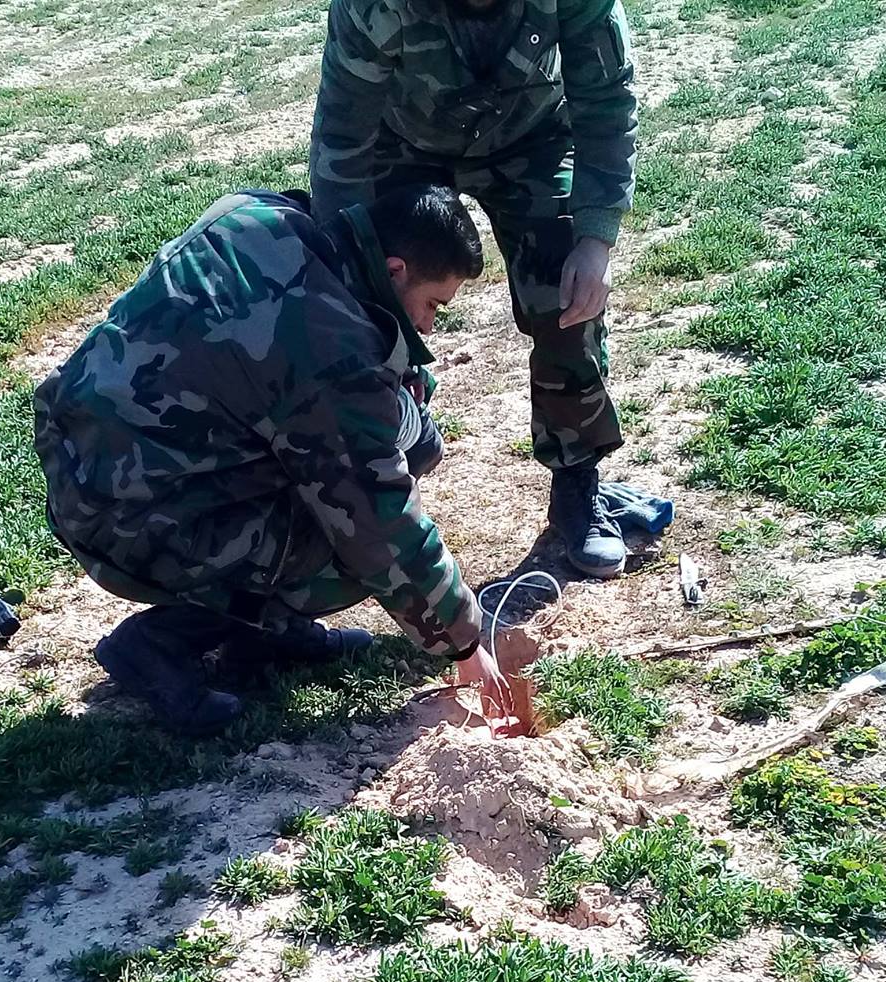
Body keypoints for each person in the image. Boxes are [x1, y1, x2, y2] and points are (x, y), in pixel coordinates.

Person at [33, 184, 514, 735]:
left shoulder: (264, 215)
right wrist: (463, 642)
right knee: (346, 546)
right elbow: (381, 527)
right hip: (128, 518)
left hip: (85, 463)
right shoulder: (329, 353)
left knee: (372, 463)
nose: (429, 326)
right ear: (396, 268)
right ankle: (159, 645)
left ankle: (267, 632)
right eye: (433, 305)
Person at [310, 0, 638, 578]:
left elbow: (606, 100)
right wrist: (348, 267)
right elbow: (342, 132)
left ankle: (577, 487)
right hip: (404, 144)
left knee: (565, 298)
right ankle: (379, 478)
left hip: (532, 138)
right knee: (376, 299)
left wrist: (595, 237)